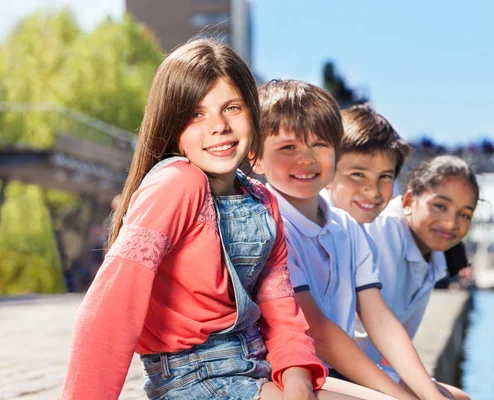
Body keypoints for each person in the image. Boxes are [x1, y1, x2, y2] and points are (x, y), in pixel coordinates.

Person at [61, 39, 379, 400]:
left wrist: (298, 382)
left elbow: (283, 316)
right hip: (194, 381)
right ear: (172, 125)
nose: (219, 126)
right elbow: (110, 310)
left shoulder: (263, 202)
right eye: (197, 114)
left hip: (257, 367)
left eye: (232, 108)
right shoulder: (178, 183)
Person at [254, 80, 450, 400]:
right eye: (289, 147)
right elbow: (316, 330)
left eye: (319, 145)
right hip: (287, 371)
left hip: (333, 369)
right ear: (257, 158)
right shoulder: (268, 224)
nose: (306, 160)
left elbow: (380, 319)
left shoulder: (346, 226)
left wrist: (431, 394)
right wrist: (398, 395)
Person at [326, 104, 478, 400]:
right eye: (440, 206)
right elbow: (335, 334)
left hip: (359, 367)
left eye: (464, 214)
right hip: (327, 368)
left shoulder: (433, 255)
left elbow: (389, 331)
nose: (450, 222)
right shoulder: (375, 229)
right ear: (408, 200)